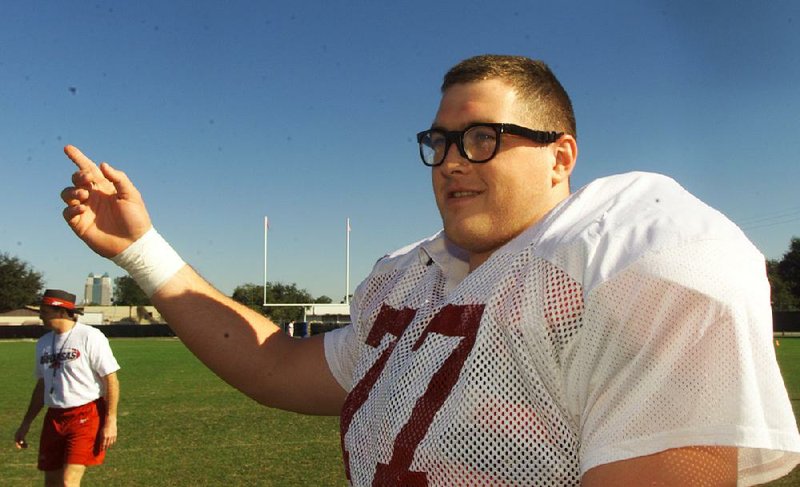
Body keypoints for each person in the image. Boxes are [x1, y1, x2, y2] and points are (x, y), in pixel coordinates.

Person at [58, 54, 800, 485]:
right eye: (439, 141)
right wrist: (140, 248)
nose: (450, 162)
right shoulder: (409, 276)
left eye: (482, 138)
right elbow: (278, 365)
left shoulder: (632, 255)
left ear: (561, 157)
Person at [14, 289, 120, 487]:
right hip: (54, 417)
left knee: (68, 481)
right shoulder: (44, 342)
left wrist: (110, 420)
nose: (40, 315)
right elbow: (42, 385)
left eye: (44, 310)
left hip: (86, 415)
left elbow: (111, 379)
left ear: (60, 311)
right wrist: (26, 423)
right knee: (52, 482)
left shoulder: (90, 336)